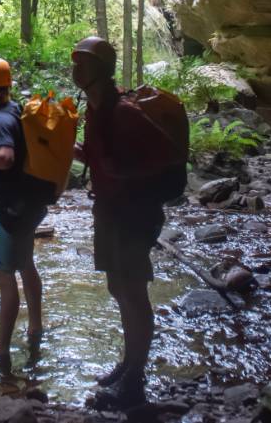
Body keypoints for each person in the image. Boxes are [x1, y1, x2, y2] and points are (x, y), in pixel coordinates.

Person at [72, 36, 175, 409]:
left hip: (135, 213)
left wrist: (124, 171)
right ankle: (128, 362)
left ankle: (135, 378)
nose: (74, 68)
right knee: (118, 286)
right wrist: (77, 153)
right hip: (110, 211)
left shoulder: (124, 112)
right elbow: (103, 158)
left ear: (100, 69)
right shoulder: (94, 110)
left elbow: (164, 155)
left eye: (81, 62)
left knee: (133, 291)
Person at [0, 56, 45, 366]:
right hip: (32, 203)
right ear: (9, 84)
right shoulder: (17, 111)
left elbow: (5, 158)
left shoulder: (1, 120)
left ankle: (1, 348)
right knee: (26, 263)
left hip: (14, 208)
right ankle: (36, 327)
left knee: (5, 276)